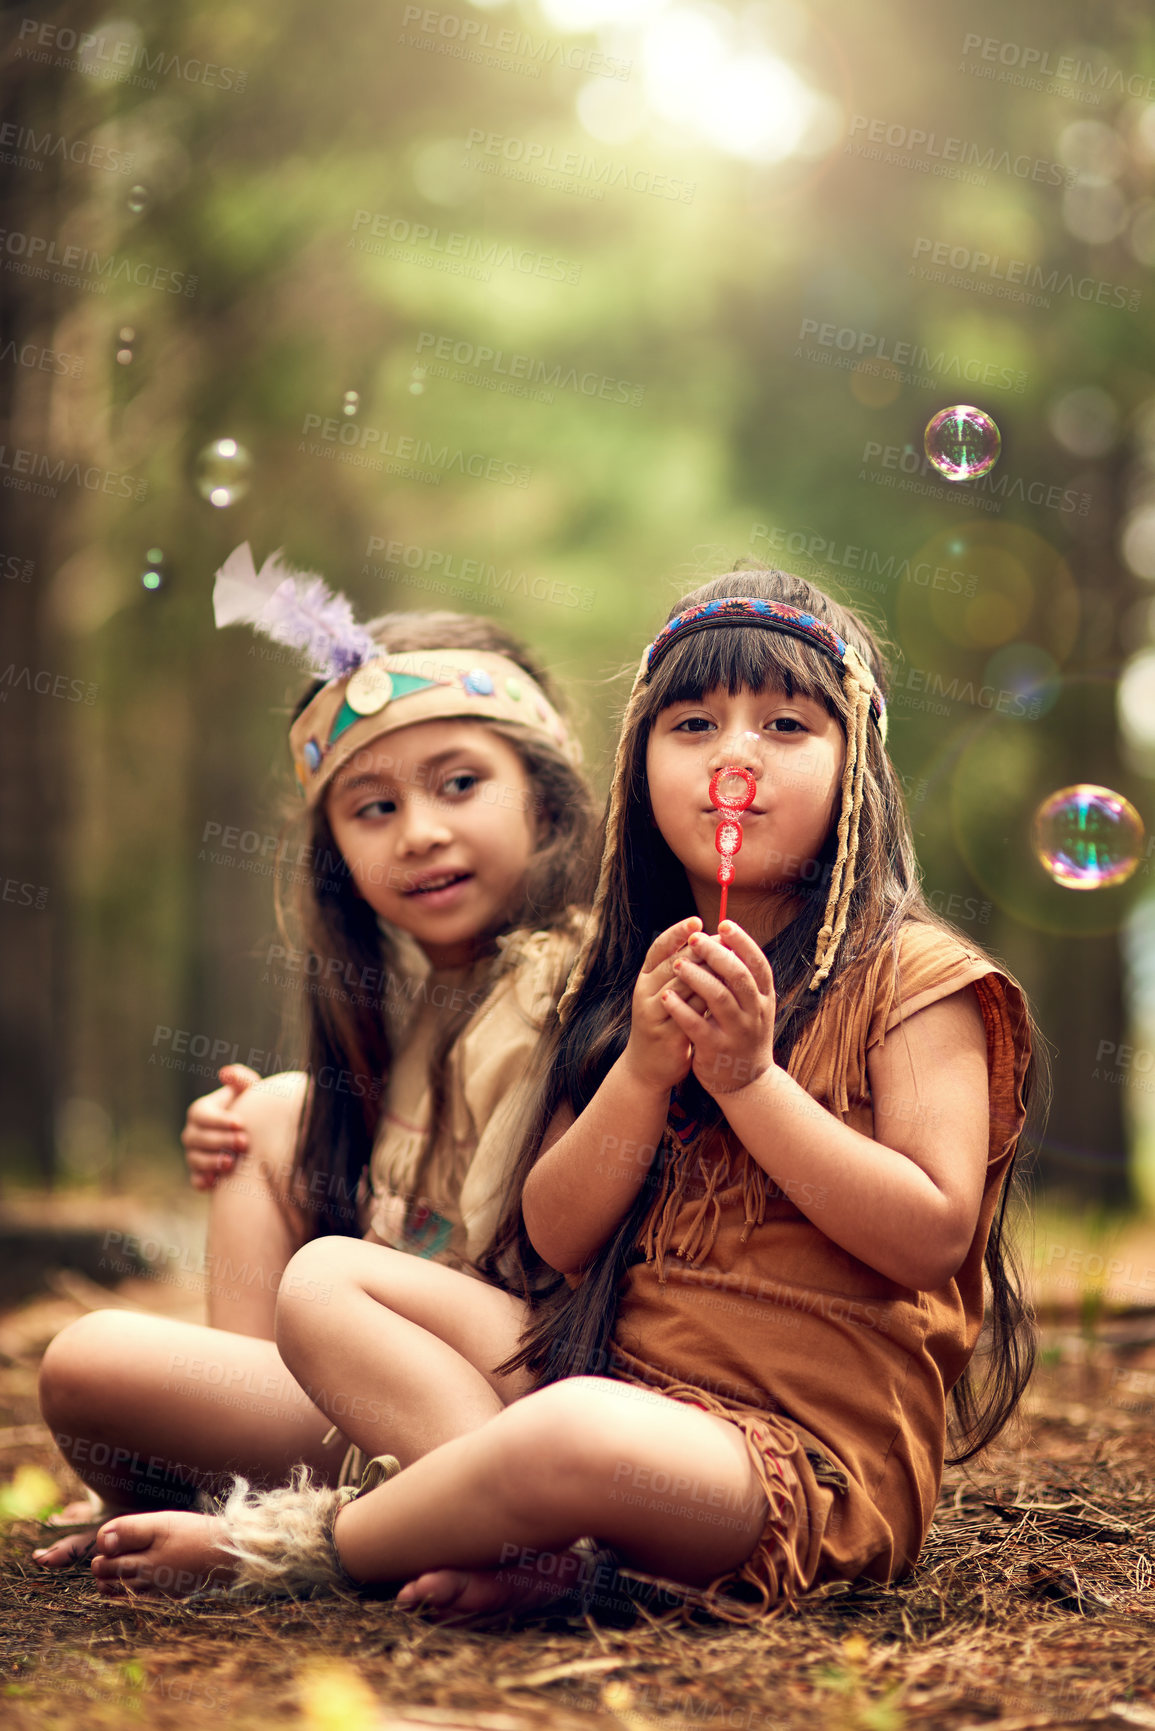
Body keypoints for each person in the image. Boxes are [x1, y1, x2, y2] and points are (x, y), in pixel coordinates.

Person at [37, 568, 1039, 1620]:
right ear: (638, 765)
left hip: (787, 1460)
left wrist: (750, 1083)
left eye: (787, 725)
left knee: (570, 1438)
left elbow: (933, 1234)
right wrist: (646, 1071)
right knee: (330, 1279)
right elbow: (558, 1234)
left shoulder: (918, 981)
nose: (736, 755)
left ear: (859, 769)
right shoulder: (631, 983)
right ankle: (513, 1535)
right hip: (609, 1383)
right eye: (693, 724)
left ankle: (286, 1544)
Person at [33, 546, 596, 1541]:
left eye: (458, 784)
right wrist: (260, 1143)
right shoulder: (433, 997)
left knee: (89, 1365)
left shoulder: (563, 979)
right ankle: (242, 1451)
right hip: (387, 1353)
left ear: (543, 799)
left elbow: (509, 1250)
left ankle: (304, 1519)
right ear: (336, 849)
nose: (418, 832)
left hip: (506, 1387)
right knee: (274, 1113)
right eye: (374, 808)